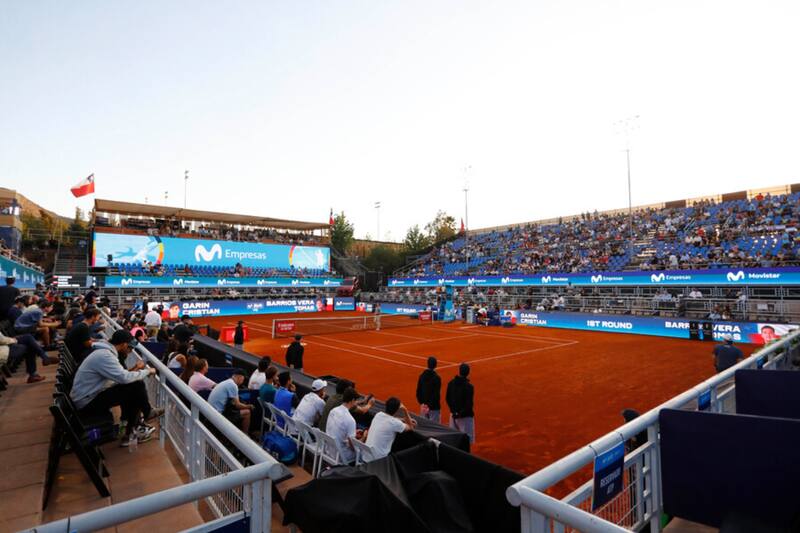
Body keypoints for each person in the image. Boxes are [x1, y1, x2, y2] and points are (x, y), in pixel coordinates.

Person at [70, 330, 161, 445]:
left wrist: (136, 369)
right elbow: (123, 378)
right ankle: (144, 417)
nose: (130, 351)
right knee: (136, 386)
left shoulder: (103, 352)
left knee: (132, 388)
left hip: (87, 398)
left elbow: (119, 377)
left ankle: (133, 429)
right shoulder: (105, 356)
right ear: (124, 344)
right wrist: (147, 371)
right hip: (86, 403)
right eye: (130, 348)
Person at [325, 387, 363, 465]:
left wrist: (353, 432)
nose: (356, 402)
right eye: (355, 400)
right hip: (340, 456)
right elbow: (353, 446)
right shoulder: (350, 420)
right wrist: (363, 438)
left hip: (328, 450)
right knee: (364, 454)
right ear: (352, 400)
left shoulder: (333, 411)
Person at [446, 363, 475, 443]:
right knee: (466, 440)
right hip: (465, 417)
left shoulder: (451, 383)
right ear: (468, 373)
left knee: (454, 439)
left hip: (453, 416)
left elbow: (447, 398)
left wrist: (453, 412)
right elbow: (469, 405)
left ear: (459, 371)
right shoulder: (469, 387)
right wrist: (459, 414)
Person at [416, 356, 442, 422]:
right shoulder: (437, 378)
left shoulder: (421, 376)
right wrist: (429, 405)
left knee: (425, 427)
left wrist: (422, 403)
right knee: (434, 428)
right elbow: (436, 394)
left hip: (424, 406)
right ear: (436, 365)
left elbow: (418, 391)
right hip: (433, 407)